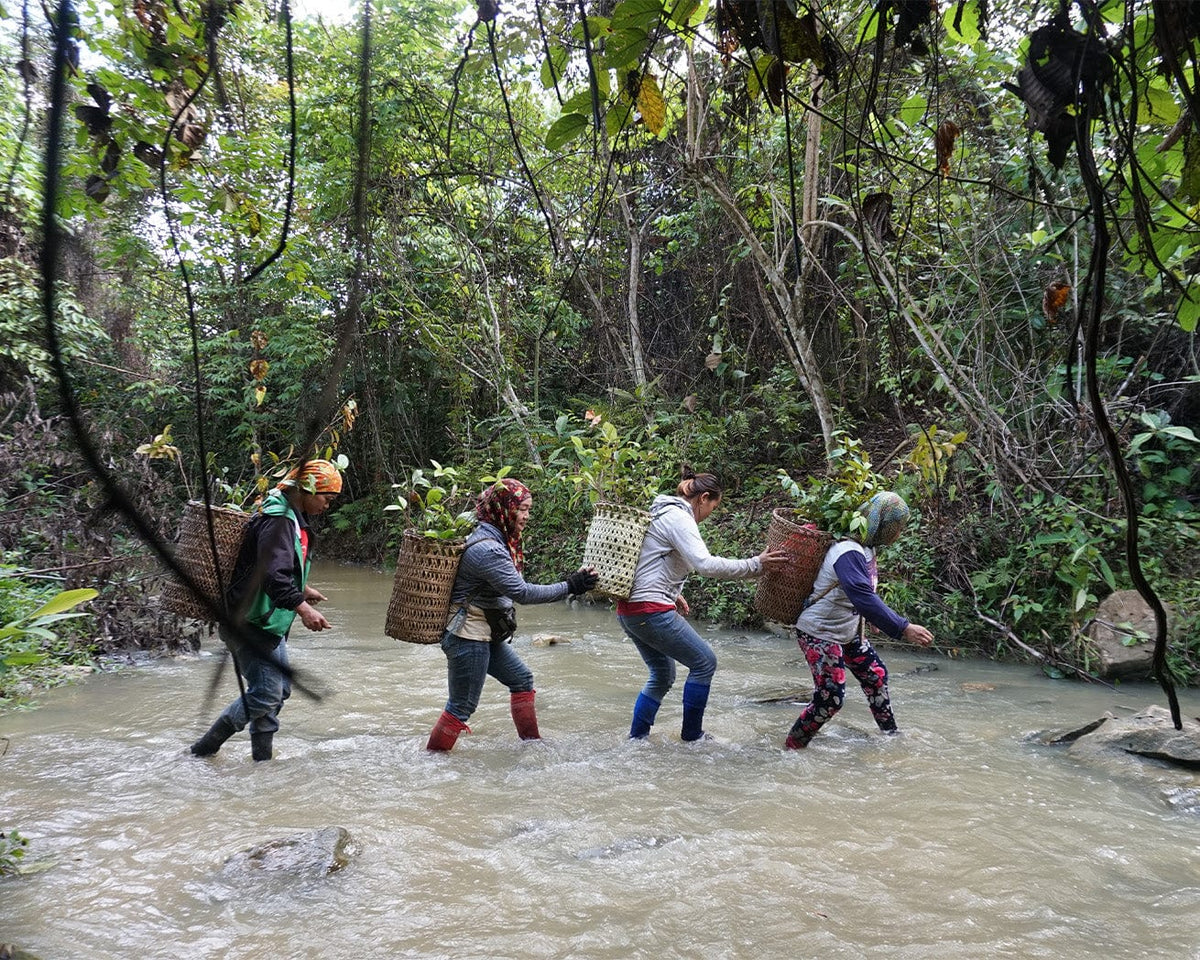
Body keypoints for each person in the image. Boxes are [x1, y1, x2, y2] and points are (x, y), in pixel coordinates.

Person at [426, 478, 598, 752]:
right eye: (522, 509)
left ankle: (532, 745)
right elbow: (522, 593)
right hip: (468, 634)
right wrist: (570, 586)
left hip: (482, 632)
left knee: (521, 679)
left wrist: (571, 585)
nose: (527, 516)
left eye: (529, 510)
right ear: (504, 509)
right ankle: (432, 761)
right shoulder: (488, 550)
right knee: (461, 707)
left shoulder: (492, 537)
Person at [617, 471, 790, 742]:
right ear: (704, 498)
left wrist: (671, 593)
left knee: (662, 675)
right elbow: (705, 565)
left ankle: (637, 740)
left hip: (630, 610)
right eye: (712, 507)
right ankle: (692, 738)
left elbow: (651, 562)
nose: (710, 513)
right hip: (651, 610)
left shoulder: (660, 513)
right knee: (704, 662)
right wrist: (756, 564)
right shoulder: (679, 517)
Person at [189, 458, 342, 762]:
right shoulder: (279, 519)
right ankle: (203, 751)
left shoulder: (287, 516)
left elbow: (273, 567)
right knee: (268, 692)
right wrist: (302, 608)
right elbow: (274, 576)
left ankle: (262, 760)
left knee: (277, 690)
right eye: (326, 498)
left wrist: (302, 589)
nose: (327, 505)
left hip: (264, 620)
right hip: (249, 621)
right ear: (308, 490)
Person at [785, 490, 934, 749]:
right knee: (830, 698)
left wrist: (874, 618)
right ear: (882, 525)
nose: (898, 534)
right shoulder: (847, 550)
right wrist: (903, 627)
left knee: (875, 676)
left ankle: (890, 736)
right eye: (896, 528)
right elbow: (862, 596)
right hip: (819, 632)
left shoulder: (866, 549)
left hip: (847, 630)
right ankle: (792, 747)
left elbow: (864, 593)